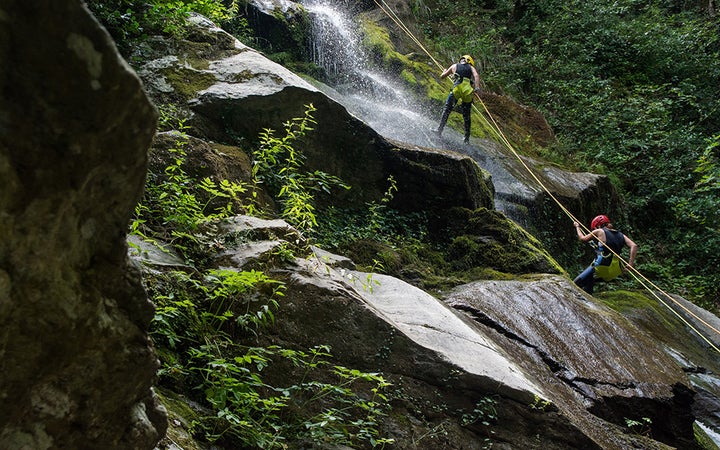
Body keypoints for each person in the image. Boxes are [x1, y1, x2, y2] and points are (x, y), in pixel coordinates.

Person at [573, 214, 638, 294]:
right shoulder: (621, 235)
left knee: (575, 283)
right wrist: (630, 263)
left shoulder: (599, 231)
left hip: (601, 265)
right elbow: (634, 245)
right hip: (615, 269)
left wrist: (577, 227)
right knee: (589, 280)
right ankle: (588, 296)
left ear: (598, 226)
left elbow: (582, 239)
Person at [435, 54, 482, 144]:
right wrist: (477, 87)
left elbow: (442, 76)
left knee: (447, 109)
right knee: (467, 115)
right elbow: (476, 76)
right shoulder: (471, 67)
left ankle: (439, 130)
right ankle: (466, 139)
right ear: (470, 62)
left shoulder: (454, 66)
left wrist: (445, 71)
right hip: (468, 91)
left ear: (461, 60)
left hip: (457, 89)